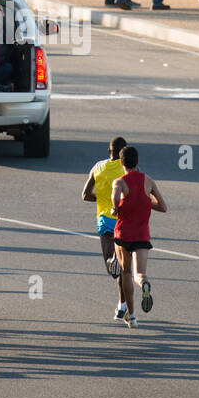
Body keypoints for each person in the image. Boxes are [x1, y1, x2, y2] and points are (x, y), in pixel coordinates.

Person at [110, 145, 167, 327]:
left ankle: (132, 316)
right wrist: (145, 203)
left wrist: (116, 207)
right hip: (142, 235)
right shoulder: (148, 181)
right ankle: (144, 285)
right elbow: (163, 206)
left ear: (121, 163)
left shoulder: (119, 182)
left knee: (126, 273)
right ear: (138, 162)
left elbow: (115, 198)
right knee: (139, 274)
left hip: (123, 234)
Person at [81, 136, 129, 320]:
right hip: (123, 220)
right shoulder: (126, 169)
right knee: (124, 267)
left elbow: (85, 195)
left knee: (113, 266)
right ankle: (122, 305)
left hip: (104, 221)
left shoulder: (98, 167)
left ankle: (121, 305)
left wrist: (102, 199)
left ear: (109, 151)